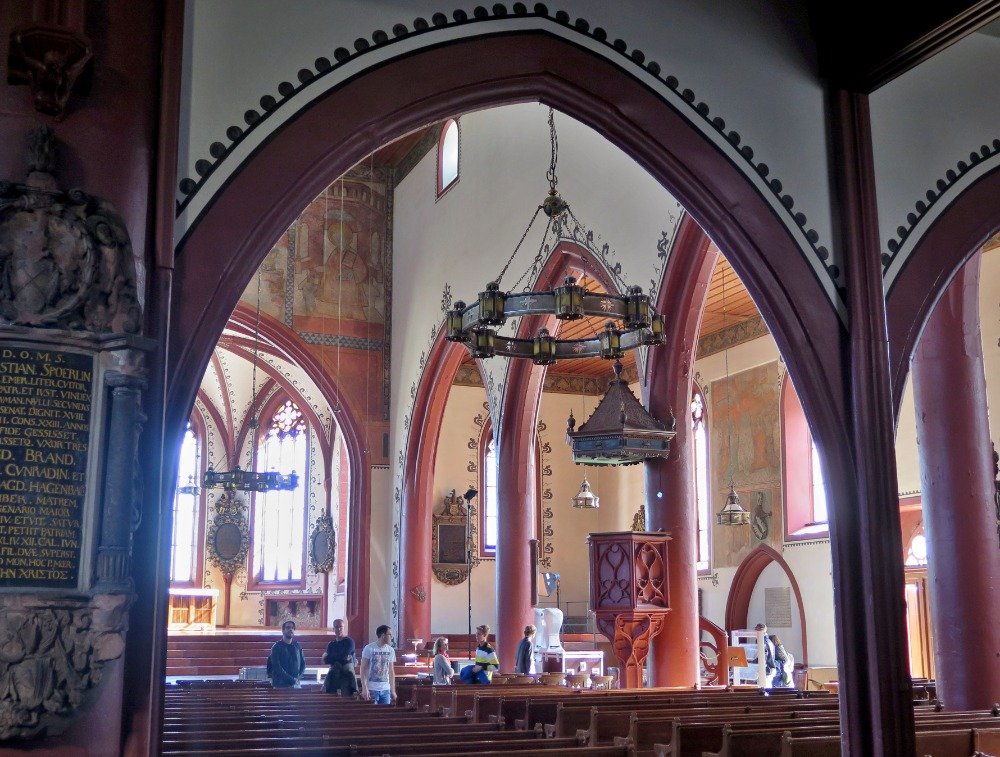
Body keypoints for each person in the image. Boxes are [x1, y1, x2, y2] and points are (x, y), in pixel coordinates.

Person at [360, 624, 396, 704]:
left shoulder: (391, 650)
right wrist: (364, 688)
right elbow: (363, 669)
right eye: (389, 634)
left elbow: (391, 671)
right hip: (372, 688)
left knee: (386, 711)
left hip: (385, 689)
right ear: (383, 635)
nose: (391, 637)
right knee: (373, 711)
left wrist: (392, 690)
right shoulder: (369, 648)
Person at [323, 618, 358, 696]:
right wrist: (339, 657)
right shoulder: (331, 644)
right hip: (333, 675)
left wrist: (332, 657)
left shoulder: (349, 641)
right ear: (333, 629)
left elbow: (344, 657)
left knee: (346, 699)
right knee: (331, 698)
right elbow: (326, 660)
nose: (338, 629)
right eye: (336, 627)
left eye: (340, 627)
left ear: (344, 628)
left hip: (346, 676)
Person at [266, 620, 306, 689]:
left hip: (296, 684)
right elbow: (277, 667)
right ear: (283, 630)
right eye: (288, 627)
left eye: (292, 628)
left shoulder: (297, 646)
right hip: (280, 684)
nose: (291, 629)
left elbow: (303, 664)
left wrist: (298, 678)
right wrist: (291, 680)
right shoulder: (276, 647)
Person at [747, 622, 776, 687]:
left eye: (756, 630)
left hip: (765, 671)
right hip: (769, 669)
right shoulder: (768, 641)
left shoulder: (762, 641)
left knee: (763, 689)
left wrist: (750, 663)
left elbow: (762, 657)